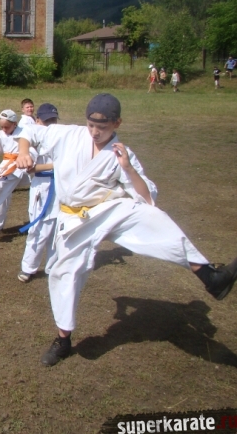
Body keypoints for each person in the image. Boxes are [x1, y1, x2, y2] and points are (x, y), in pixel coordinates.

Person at [15, 93, 237, 367]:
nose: (95, 132)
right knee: (63, 275)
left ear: (117, 123)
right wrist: (24, 152)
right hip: (72, 220)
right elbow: (28, 132)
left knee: (149, 215)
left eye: (103, 127)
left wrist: (128, 169)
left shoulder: (121, 153)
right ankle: (63, 340)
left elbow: (147, 197)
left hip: (107, 211)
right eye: (91, 125)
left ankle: (209, 275)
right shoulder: (68, 134)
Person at [18, 103, 60, 282]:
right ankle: (28, 268)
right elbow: (29, 167)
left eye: (53, 120)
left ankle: (53, 268)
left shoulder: (61, 137)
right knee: (38, 230)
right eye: (46, 121)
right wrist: (58, 165)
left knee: (58, 231)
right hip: (42, 189)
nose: (50, 124)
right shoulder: (33, 141)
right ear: (37, 121)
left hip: (61, 188)